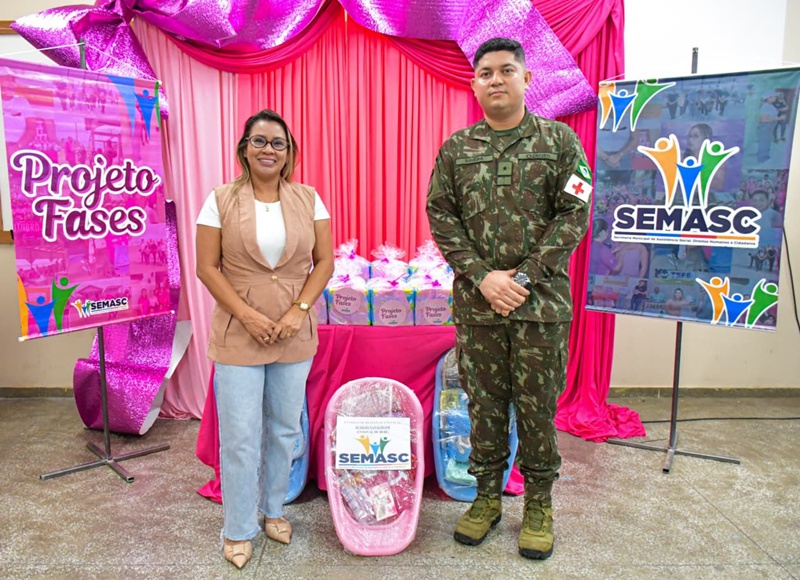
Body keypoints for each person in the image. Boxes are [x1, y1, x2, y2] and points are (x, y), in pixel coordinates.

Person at [426, 38, 590, 560]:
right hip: (479, 306)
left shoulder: (560, 141)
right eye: (485, 73)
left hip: (540, 305)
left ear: (526, 78)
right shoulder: (457, 149)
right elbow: (440, 215)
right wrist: (482, 277)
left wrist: (523, 277)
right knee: (484, 405)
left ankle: (538, 504)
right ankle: (486, 498)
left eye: (506, 70)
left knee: (538, 407)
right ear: (474, 84)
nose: (495, 80)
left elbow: (576, 212)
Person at [195, 109, 334, 569]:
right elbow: (206, 267)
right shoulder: (220, 199)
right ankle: (238, 528)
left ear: (290, 152)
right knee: (239, 436)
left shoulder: (309, 199)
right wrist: (247, 315)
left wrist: (299, 311)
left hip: (293, 332)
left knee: (284, 429)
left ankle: (274, 509)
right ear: (244, 149)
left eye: (278, 142)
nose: (269, 149)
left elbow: (324, 263)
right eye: (259, 141)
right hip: (239, 332)